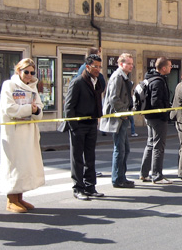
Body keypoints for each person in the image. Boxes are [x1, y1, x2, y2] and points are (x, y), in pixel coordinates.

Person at [0, 58, 45, 212]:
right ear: (18, 71)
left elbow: (39, 108)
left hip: (29, 131)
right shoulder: (9, 85)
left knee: (25, 165)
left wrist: (36, 111)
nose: (29, 75)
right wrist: (29, 109)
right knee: (14, 164)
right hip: (14, 132)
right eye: (26, 72)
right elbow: (9, 109)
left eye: (32, 72)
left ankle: (20, 197)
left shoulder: (32, 87)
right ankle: (11, 199)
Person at [63, 54, 105, 200]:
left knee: (90, 157)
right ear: (87, 67)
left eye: (100, 67)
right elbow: (68, 107)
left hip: (92, 123)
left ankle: (90, 186)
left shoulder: (97, 81)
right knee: (77, 158)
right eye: (95, 67)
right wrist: (74, 127)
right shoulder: (78, 82)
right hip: (79, 125)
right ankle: (78, 188)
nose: (98, 69)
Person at [100, 53, 135, 188]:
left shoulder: (123, 77)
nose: (131, 66)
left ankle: (122, 176)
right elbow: (113, 98)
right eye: (129, 64)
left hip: (122, 116)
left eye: (132, 64)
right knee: (120, 149)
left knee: (125, 149)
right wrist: (123, 112)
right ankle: (117, 178)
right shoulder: (117, 77)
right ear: (121, 64)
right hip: (119, 117)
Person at [139, 57, 173, 184]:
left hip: (149, 117)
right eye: (169, 66)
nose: (171, 68)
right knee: (158, 146)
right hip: (158, 118)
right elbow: (155, 102)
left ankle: (144, 173)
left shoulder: (149, 78)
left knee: (150, 144)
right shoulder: (158, 81)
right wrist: (166, 109)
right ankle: (157, 175)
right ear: (163, 68)